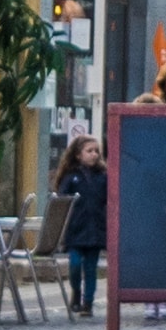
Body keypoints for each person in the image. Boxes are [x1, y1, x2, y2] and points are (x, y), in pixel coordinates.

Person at [53, 128, 107, 318]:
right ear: (78, 155)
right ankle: (76, 291)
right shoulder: (71, 177)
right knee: (75, 264)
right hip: (75, 229)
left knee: (91, 267)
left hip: (96, 229)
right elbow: (61, 200)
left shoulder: (103, 176)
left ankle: (88, 302)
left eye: (96, 151)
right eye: (89, 151)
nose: (94, 155)